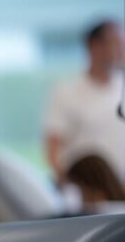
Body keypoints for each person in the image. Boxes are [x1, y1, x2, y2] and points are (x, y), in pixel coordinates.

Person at [44, 19, 125, 187]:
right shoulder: (66, 91)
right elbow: (53, 148)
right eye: (116, 43)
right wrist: (74, 189)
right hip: (89, 197)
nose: (121, 50)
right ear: (94, 46)